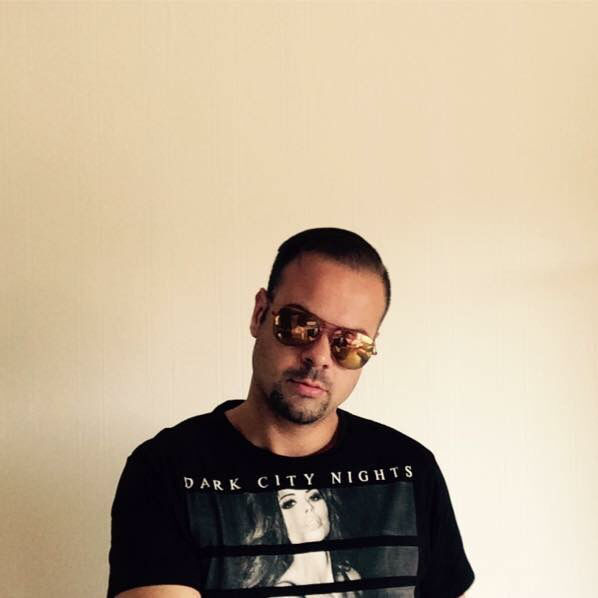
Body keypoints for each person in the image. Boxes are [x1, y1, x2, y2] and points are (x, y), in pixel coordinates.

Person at [107, 227, 474, 598]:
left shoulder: (411, 470)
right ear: (260, 314)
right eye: (300, 325)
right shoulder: (166, 469)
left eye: (349, 343)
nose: (319, 356)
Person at [242, 488, 361, 597]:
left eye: (314, 497)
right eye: (290, 503)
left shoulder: (351, 577)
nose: (308, 506)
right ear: (275, 521)